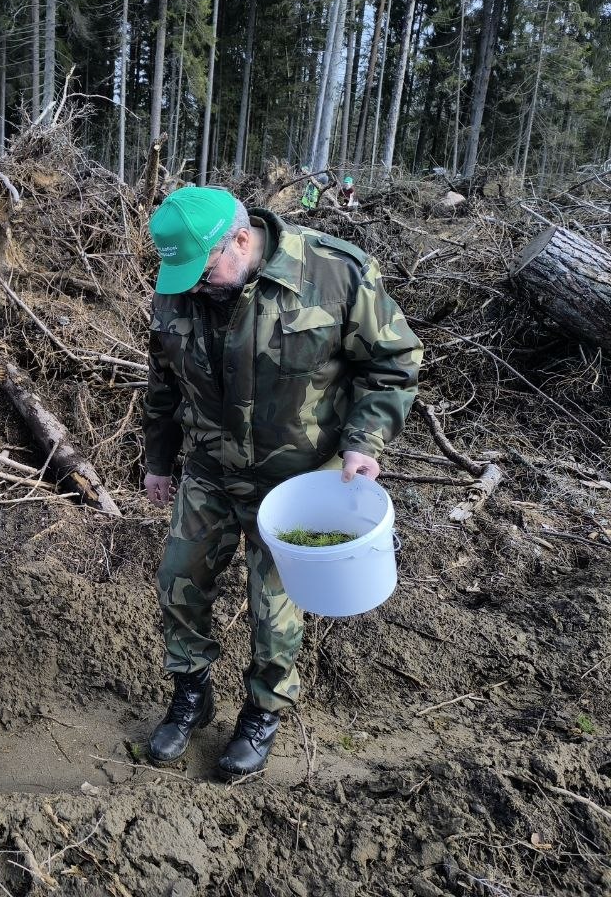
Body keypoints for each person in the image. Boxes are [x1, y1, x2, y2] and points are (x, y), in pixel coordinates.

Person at [142, 186, 422, 778]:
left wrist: (364, 441)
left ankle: (262, 712)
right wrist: (158, 460)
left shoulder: (333, 274)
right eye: (183, 278)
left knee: (274, 609)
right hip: (211, 471)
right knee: (178, 582)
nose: (194, 288)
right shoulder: (182, 283)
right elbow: (163, 382)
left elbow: (392, 362)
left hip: (294, 482)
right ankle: (191, 694)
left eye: (204, 273)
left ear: (242, 241)